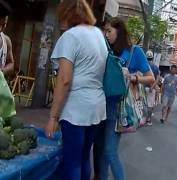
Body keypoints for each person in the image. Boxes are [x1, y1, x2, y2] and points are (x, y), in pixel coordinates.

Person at [44, 0, 108, 179]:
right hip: (97, 107)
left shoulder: (70, 37)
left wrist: (53, 117)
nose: (61, 21)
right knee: (83, 159)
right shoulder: (97, 33)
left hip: (76, 109)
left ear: (68, 14)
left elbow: (64, 80)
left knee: (72, 162)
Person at [93, 17, 154, 180]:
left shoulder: (135, 51)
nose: (106, 34)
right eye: (104, 31)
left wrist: (133, 78)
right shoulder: (106, 50)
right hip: (99, 105)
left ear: (118, 31)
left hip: (118, 108)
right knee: (99, 148)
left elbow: (151, 79)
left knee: (110, 151)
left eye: (109, 31)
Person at [145, 50, 160, 126]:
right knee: (150, 105)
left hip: (143, 88)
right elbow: (158, 79)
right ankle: (149, 120)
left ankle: (142, 119)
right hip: (152, 89)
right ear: (152, 58)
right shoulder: (155, 67)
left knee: (141, 103)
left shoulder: (144, 65)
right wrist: (153, 86)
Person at [0, 1, 14, 75]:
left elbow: (11, 64)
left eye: (3, 25)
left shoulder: (6, 41)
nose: (0, 29)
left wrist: (3, 71)